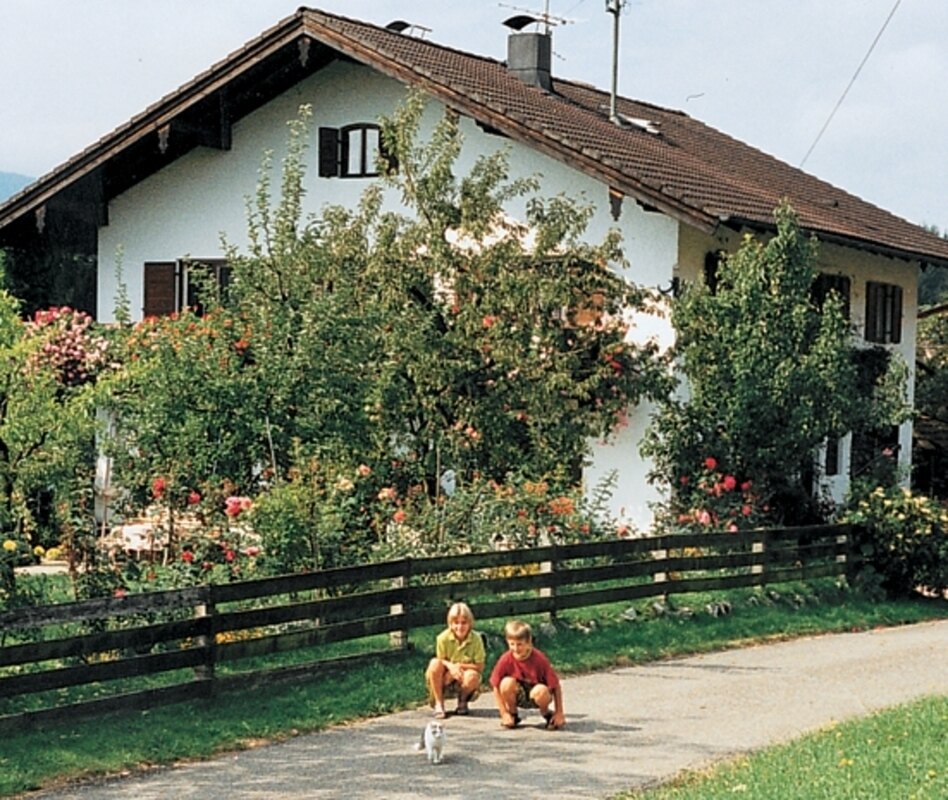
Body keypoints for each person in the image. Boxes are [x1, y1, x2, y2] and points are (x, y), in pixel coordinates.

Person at [490, 619, 565, 729]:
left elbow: (555, 686)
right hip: (518, 693)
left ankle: (547, 713)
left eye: (520, 644)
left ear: (529, 641)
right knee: (506, 683)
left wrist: (560, 712)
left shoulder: (539, 659)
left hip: (536, 694)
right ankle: (512, 714)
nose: (516, 649)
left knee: (541, 691)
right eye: (512, 644)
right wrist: (503, 712)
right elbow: (495, 684)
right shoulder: (506, 659)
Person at [425, 601, 486, 719]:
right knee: (434, 663)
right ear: (450, 623)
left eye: (464, 623)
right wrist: (450, 668)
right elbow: (440, 661)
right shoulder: (442, 638)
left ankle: (462, 701)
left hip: (463, 675)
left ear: (470, 623)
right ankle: (439, 703)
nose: (460, 627)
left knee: (472, 676)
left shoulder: (476, 639)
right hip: (445, 677)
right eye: (456, 623)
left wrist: (458, 666)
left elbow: (480, 666)